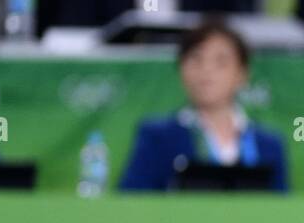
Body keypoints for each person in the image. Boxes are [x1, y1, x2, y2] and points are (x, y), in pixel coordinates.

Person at [118, 22, 288, 192]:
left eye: (221, 61)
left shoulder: (269, 144)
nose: (206, 70)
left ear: (242, 73)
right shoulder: (157, 137)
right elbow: (132, 201)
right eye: (196, 59)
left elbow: (283, 211)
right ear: (181, 68)